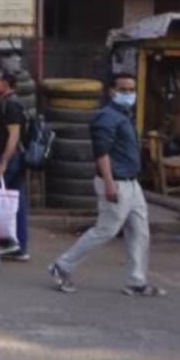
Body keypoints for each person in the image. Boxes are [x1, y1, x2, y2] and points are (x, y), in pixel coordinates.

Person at [48, 74, 165, 297]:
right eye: (123, 89)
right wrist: (109, 184)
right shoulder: (106, 117)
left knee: (139, 231)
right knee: (105, 230)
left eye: (132, 89)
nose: (129, 94)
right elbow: (101, 153)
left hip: (132, 183)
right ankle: (62, 266)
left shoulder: (125, 115)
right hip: (116, 182)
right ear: (112, 92)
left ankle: (136, 281)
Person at [0, 66, 30, 261]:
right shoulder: (8, 103)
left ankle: (3, 242)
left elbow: (14, 136)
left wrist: (3, 162)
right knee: (15, 202)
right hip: (11, 158)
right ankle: (18, 246)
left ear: (5, 84)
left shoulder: (11, 105)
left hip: (9, 159)